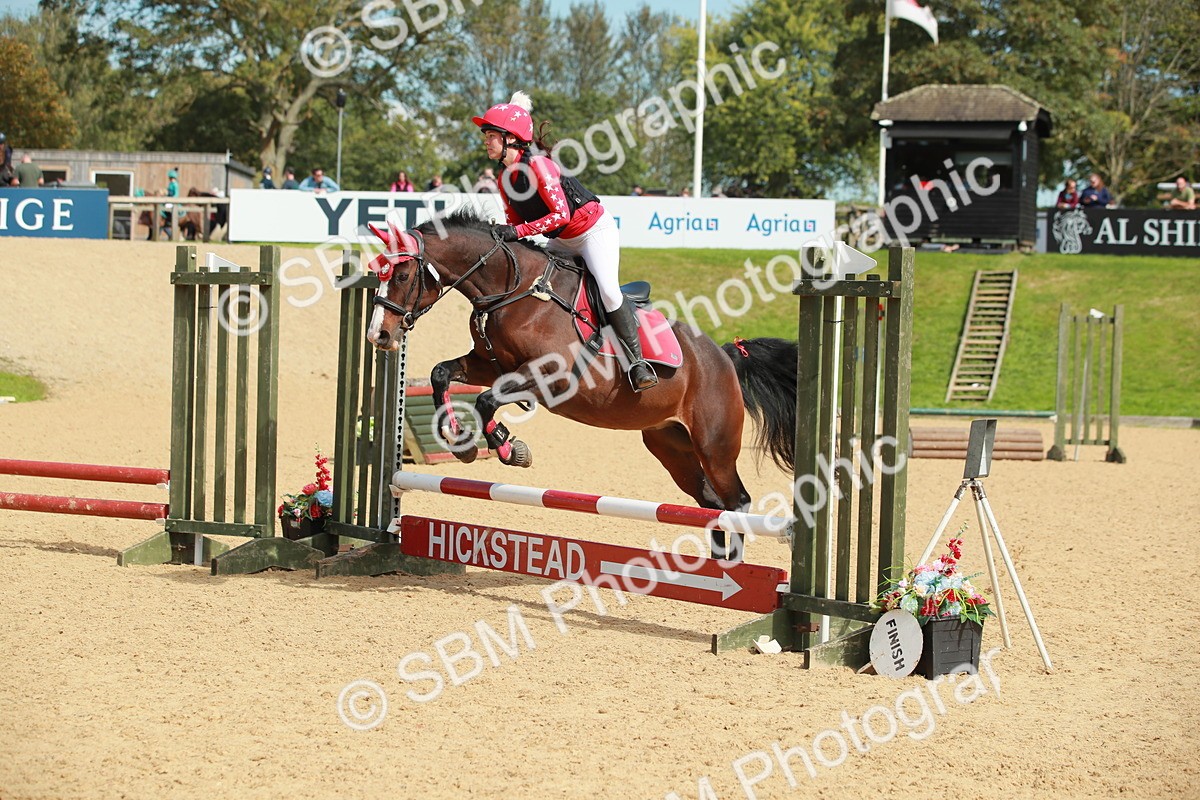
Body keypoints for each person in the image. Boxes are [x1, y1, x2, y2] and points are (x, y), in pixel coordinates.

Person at [473, 91, 657, 392]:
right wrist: (504, 235)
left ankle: (637, 363)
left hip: (593, 232)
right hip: (561, 241)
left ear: (510, 138)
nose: (486, 141)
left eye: (491, 135)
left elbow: (560, 215)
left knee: (609, 292)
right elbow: (514, 222)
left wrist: (517, 233)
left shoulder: (540, 166)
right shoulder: (504, 178)